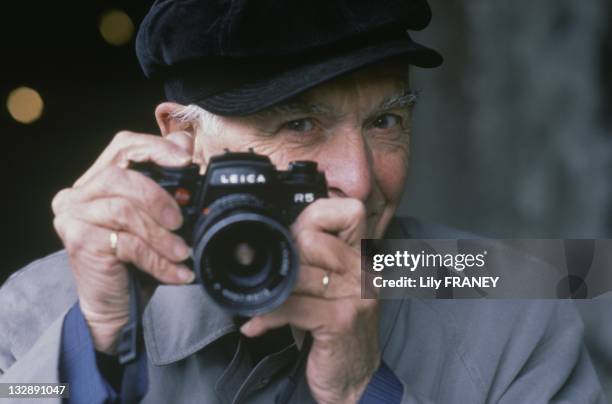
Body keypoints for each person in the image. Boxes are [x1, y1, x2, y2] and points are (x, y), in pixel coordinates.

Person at [0, 0, 606, 403]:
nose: (361, 182)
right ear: (182, 139)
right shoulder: (37, 310)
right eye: (298, 126)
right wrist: (96, 345)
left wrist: (359, 388)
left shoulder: (515, 303)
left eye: (386, 120)